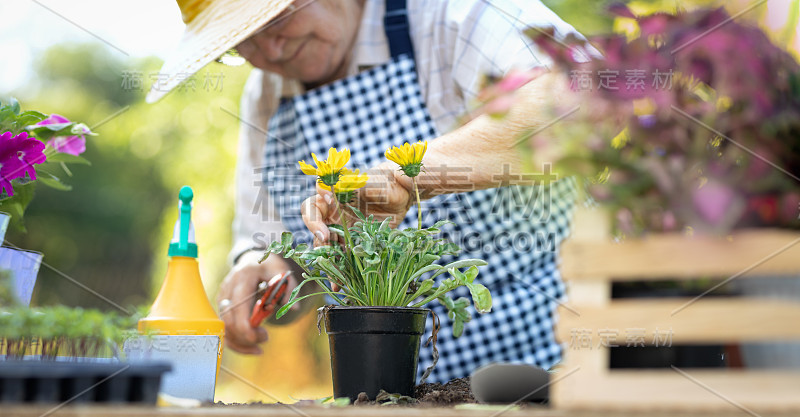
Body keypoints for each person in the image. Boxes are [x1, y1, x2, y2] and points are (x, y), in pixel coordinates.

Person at [148, 0, 584, 384]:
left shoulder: (450, 13)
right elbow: (272, 247)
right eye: (242, 42)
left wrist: (412, 175)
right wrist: (263, 272)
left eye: (275, 18)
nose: (271, 51)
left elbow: (586, 95)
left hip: (565, 366)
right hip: (393, 394)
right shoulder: (265, 99)